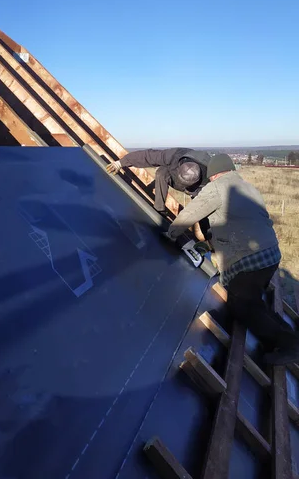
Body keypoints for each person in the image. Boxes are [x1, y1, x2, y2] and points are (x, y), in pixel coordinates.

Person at [166, 153, 299, 365]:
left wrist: (171, 232)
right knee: (254, 302)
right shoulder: (248, 187)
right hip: (270, 254)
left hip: (250, 259)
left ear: (214, 174)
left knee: (242, 305)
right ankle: (287, 337)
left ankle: (290, 346)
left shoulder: (217, 188)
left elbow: (192, 212)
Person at [106, 148, 210, 214]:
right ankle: (159, 208)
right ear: (179, 168)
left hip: (199, 192)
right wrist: (120, 163)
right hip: (173, 177)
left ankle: (209, 239)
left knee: (204, 213)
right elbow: (147, 156)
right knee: (162, 172)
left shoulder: (211, 174)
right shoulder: (174, 156)